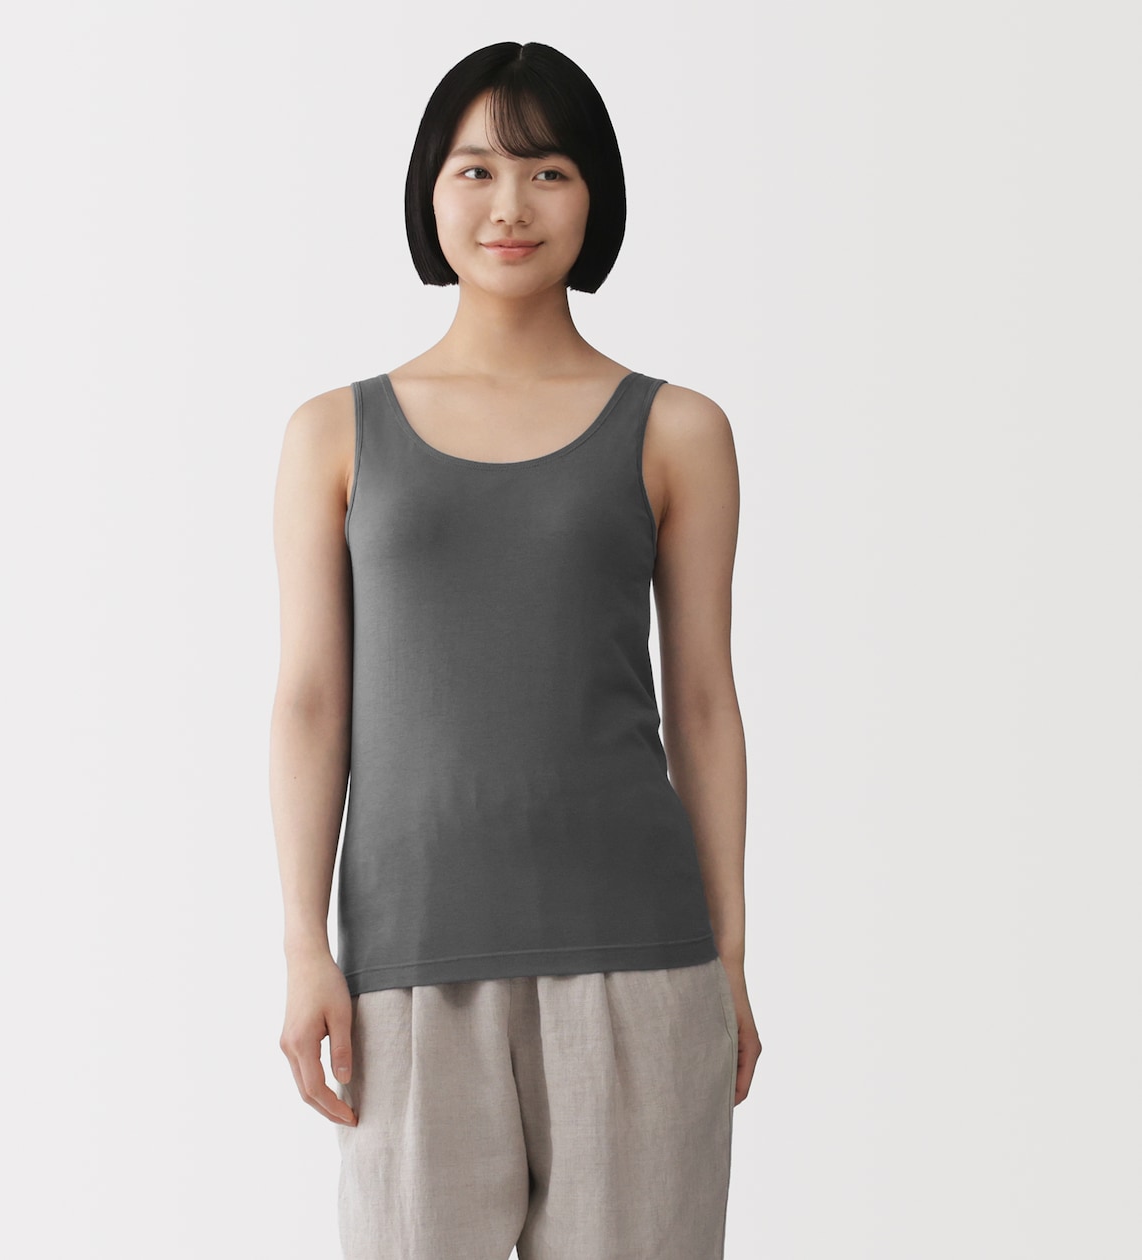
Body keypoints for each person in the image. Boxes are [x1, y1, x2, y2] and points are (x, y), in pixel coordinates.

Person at [269, 40, 761, 1260]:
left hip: (641, 962)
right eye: (476, 169)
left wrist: (731, 959)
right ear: (429, 191)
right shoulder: (333, 434)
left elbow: (703, 704)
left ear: (595, 197)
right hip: (407, 966)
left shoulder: (679, 430)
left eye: (549, 171)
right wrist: (303, 946)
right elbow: (312, 703)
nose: (509, 206)